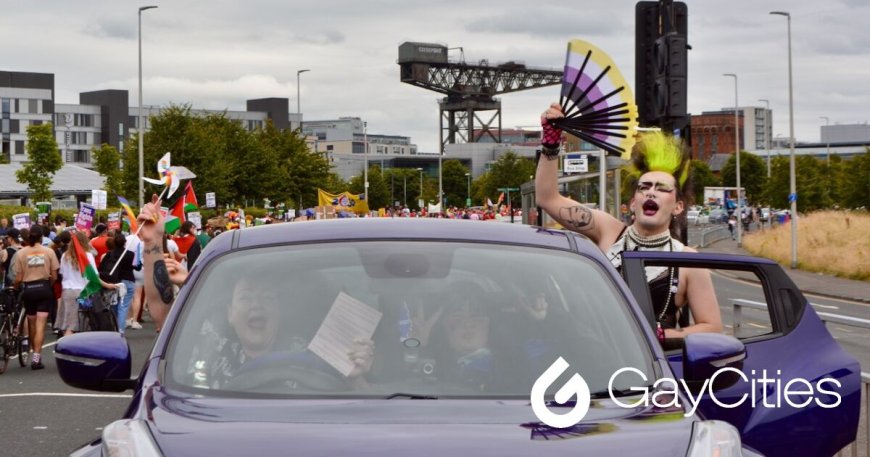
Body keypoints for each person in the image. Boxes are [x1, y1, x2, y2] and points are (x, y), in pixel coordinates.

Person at [535, 103, 722, 341]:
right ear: (634, 202)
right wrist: (551, 142)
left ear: (678, 206)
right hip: (592, 356)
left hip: (648, 370)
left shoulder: (687, 261)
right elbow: (547, 197)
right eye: (644, 187)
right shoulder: (609, 231)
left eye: (662, 189)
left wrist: (660, 335)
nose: (651, 193)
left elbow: (712, 327)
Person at [12, 225, 59, 370]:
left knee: (32, 323)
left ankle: (34, 352)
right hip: (44, 289)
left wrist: (15, 286)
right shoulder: (49, 251)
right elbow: (55, 276)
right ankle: (36, 358)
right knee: (41, 324)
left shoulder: (21, 253)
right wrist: (48, 284)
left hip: (29, 290)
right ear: (41, 237)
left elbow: (18, 277)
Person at [57, 231, 118, 337]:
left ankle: (66, 347)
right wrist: (107, 285)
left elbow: (62, 273)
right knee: (87, 320)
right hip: (84, 293)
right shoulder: (87, 256)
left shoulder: (64, 256)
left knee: (68, 325)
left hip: (68, 293)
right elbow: (94, 277)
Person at [99, 233, 136, 335]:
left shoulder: (110, 254)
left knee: (114, 305)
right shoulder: (130, 254)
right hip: (128, 281)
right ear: (125, 242)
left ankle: (115, 327)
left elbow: (101, 268)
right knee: (123, 307)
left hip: (114, 282)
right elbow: (137, 267)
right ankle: (120, 330)